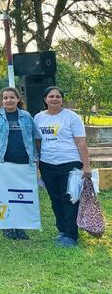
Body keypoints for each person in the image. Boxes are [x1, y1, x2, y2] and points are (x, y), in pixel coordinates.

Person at [34, 86, 92, 248]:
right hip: (48, 164)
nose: (54, 99)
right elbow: (38, 142)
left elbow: (81, 142)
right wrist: (39, 164)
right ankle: (62, 230)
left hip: (70, 163)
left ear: (62, 100)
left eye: (58, 96)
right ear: (45, 99)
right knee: (55, 198)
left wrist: (86, 165)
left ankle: (71, 235)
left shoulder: (72, 117)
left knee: (70, 198)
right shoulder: (38, 118)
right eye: (51, 96)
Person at [0, 87, 39, 241]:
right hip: (3, 162)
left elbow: (34, 137)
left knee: (20, 196)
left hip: (23, 162)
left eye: (12, 98)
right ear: (2, 101)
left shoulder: (26, 116)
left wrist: (35, 157)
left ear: (18, 99)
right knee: (5, 195)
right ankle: (7, 226)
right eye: (6, 98)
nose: (9, 100)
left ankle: (20, 227)